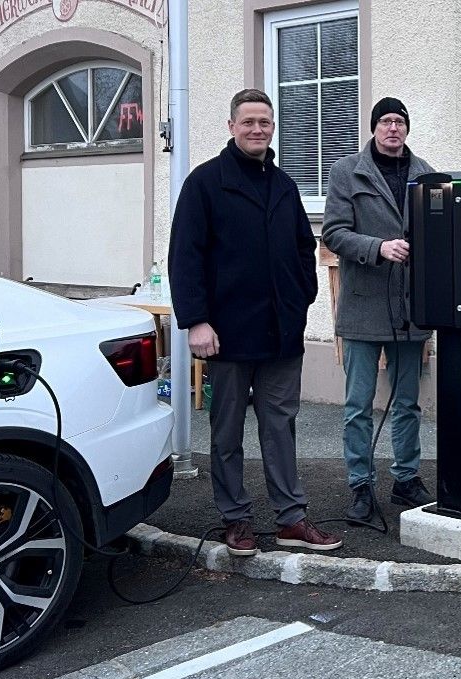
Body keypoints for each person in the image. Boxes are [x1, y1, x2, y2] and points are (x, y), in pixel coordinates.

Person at [169, 89, 341, 556]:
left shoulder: (283, 185)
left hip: (282, 333)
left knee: (280, 427)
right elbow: (185, 257)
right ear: (231, 126)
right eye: (248, 122)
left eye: (265, 122)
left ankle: (291, 518)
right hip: (225, 334)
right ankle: (236, 518)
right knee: (226, 432)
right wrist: (196, 321)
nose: (258, 129)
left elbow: (304, 250)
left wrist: (303, 298)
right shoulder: (205, 184)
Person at [322, 97, 436, 522]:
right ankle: (361, 485)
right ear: (373, 128)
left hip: (411, 309)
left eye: (400, 121)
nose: (393, 128)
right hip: (363, 306)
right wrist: (377, 247)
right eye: (386, 121)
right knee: (358, 404)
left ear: (407, 128)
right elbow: (334, 232)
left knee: (408, 402)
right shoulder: (346, 172)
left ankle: (406, 478)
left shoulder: (426, 174)